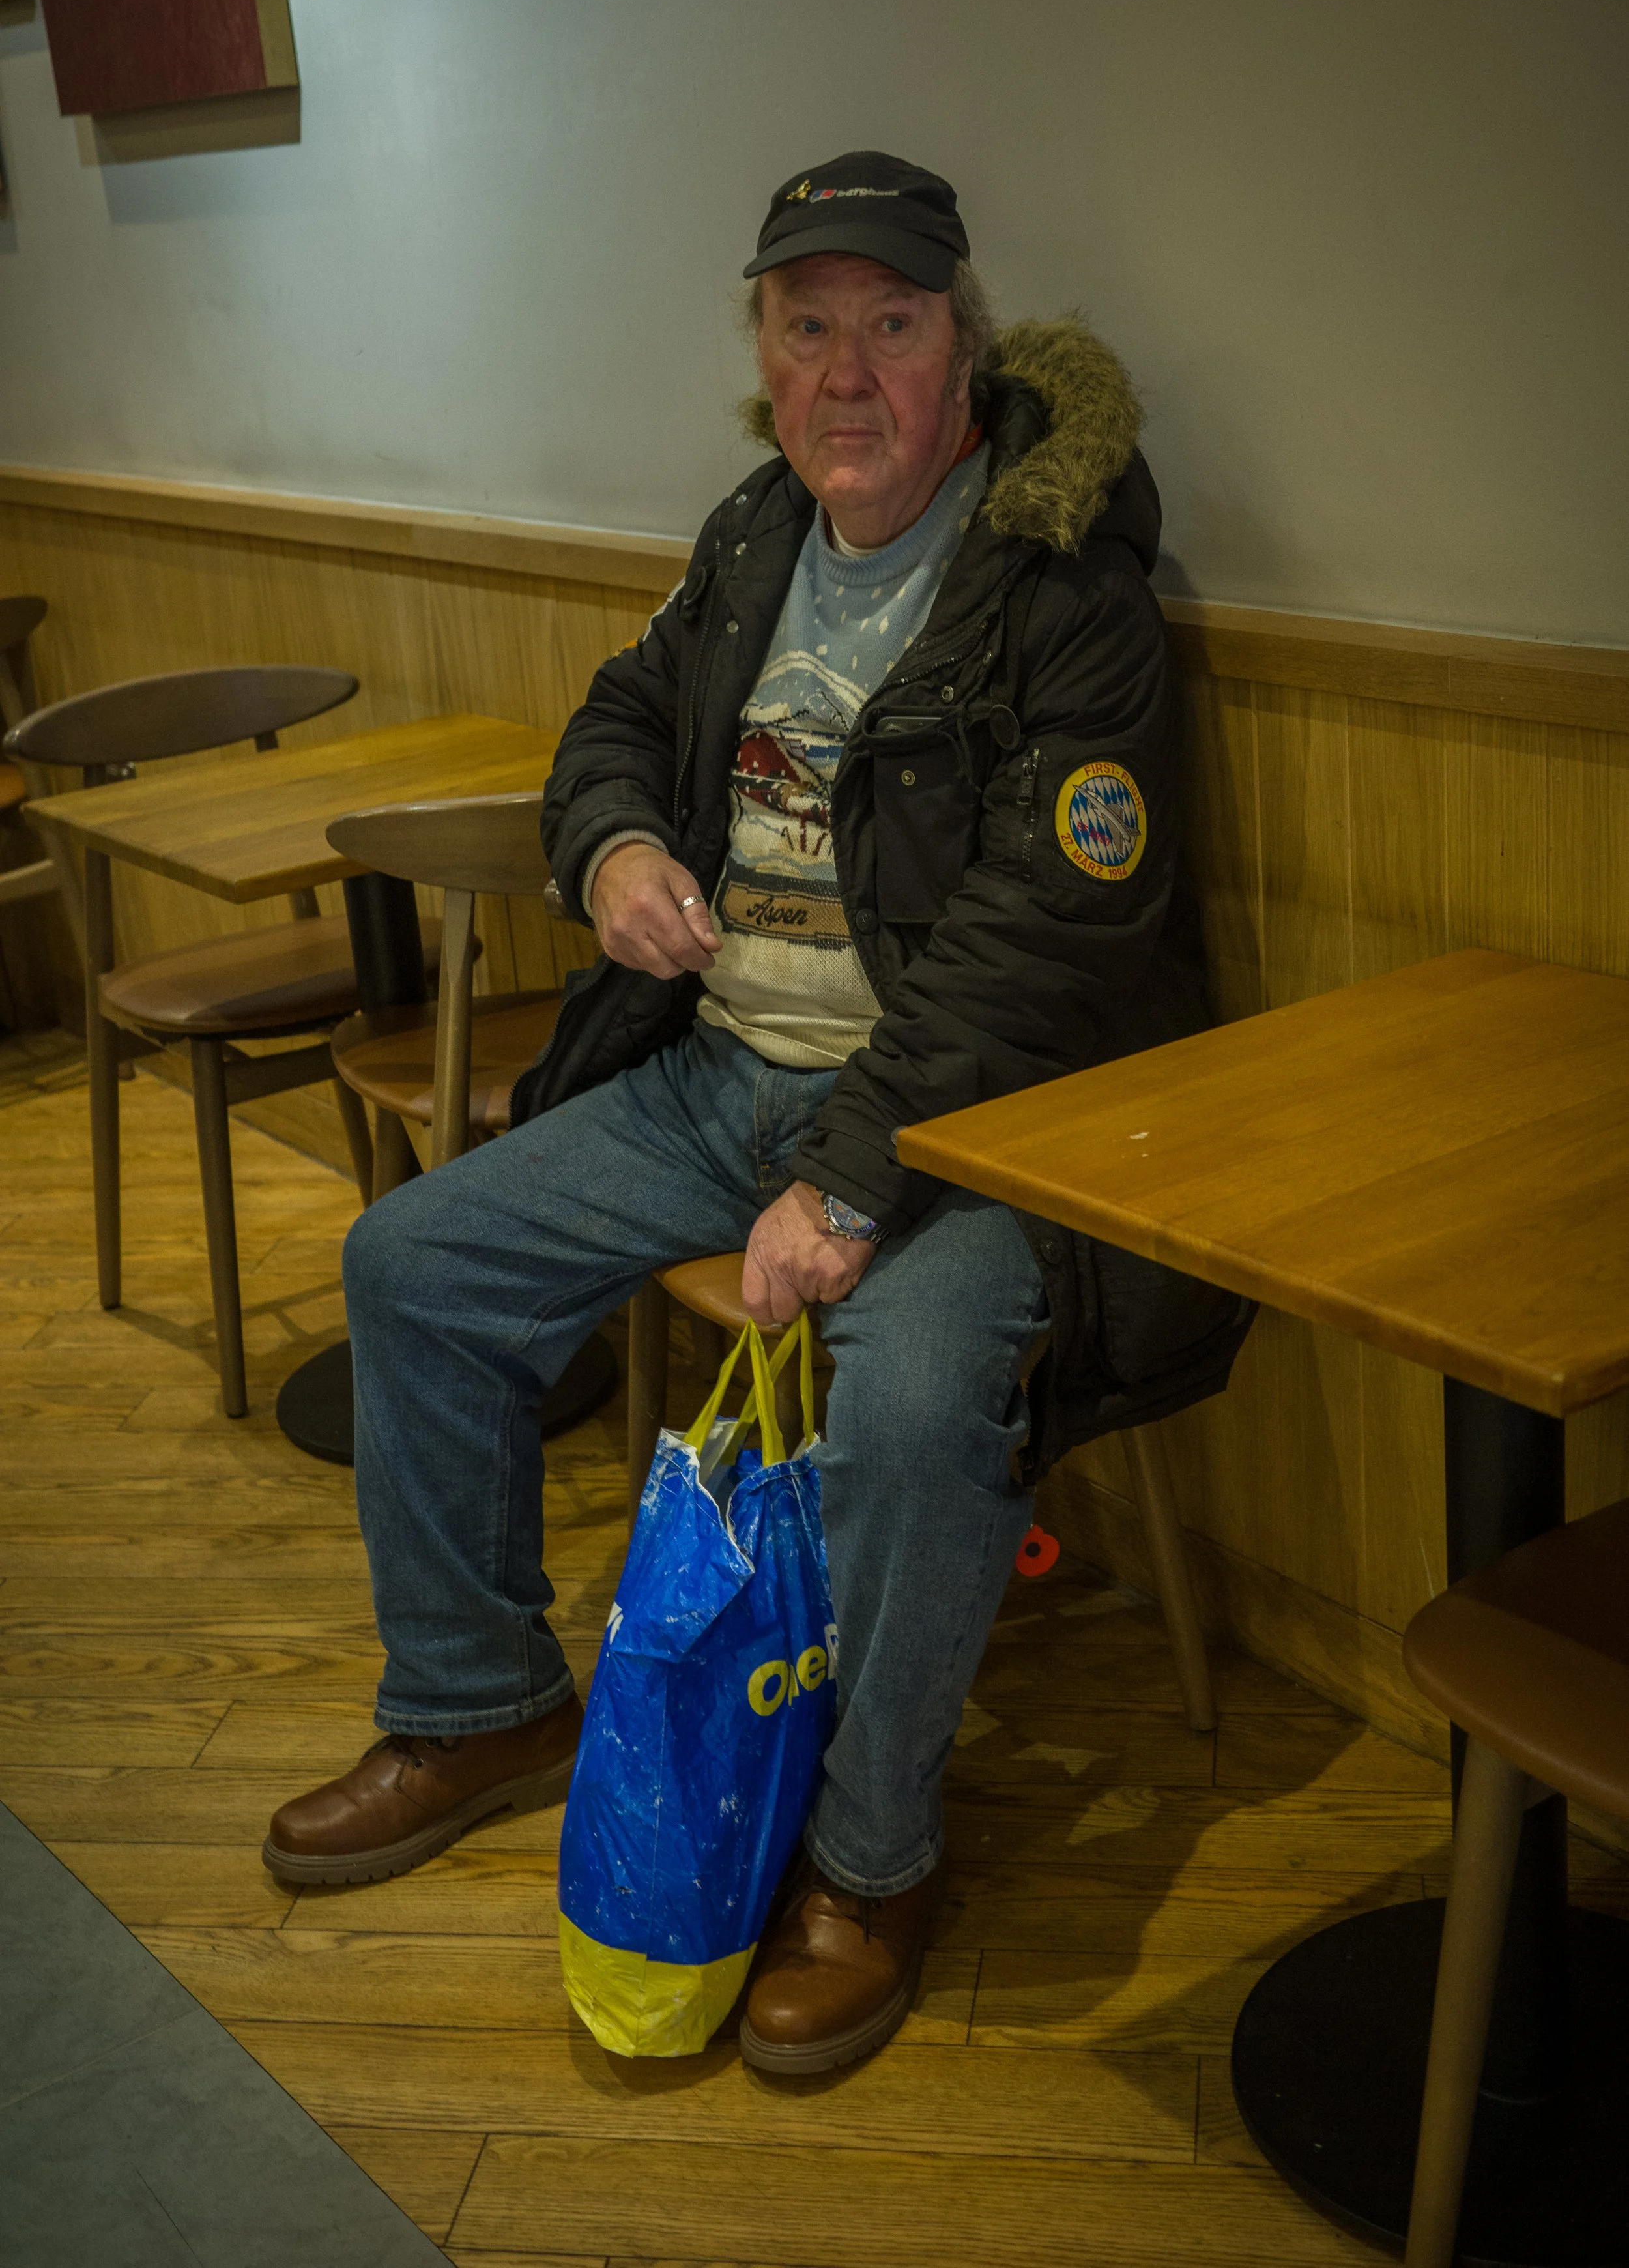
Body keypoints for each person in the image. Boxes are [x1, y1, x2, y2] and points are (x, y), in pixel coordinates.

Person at [264, 152, 1251, 2075]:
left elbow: (1054, 937)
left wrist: (857, 1173)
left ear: (962, 351)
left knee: (901, 1402)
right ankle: (477, 1699)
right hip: (720, 1073)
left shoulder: (1062, 586)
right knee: (416, 1256)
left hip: (968, 1130)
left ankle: (873, 1861)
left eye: (891, 326)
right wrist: (613, 839)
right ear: (763, 358)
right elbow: (617, 718)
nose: (847, 372)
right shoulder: (746, 537)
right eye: (807, 329)